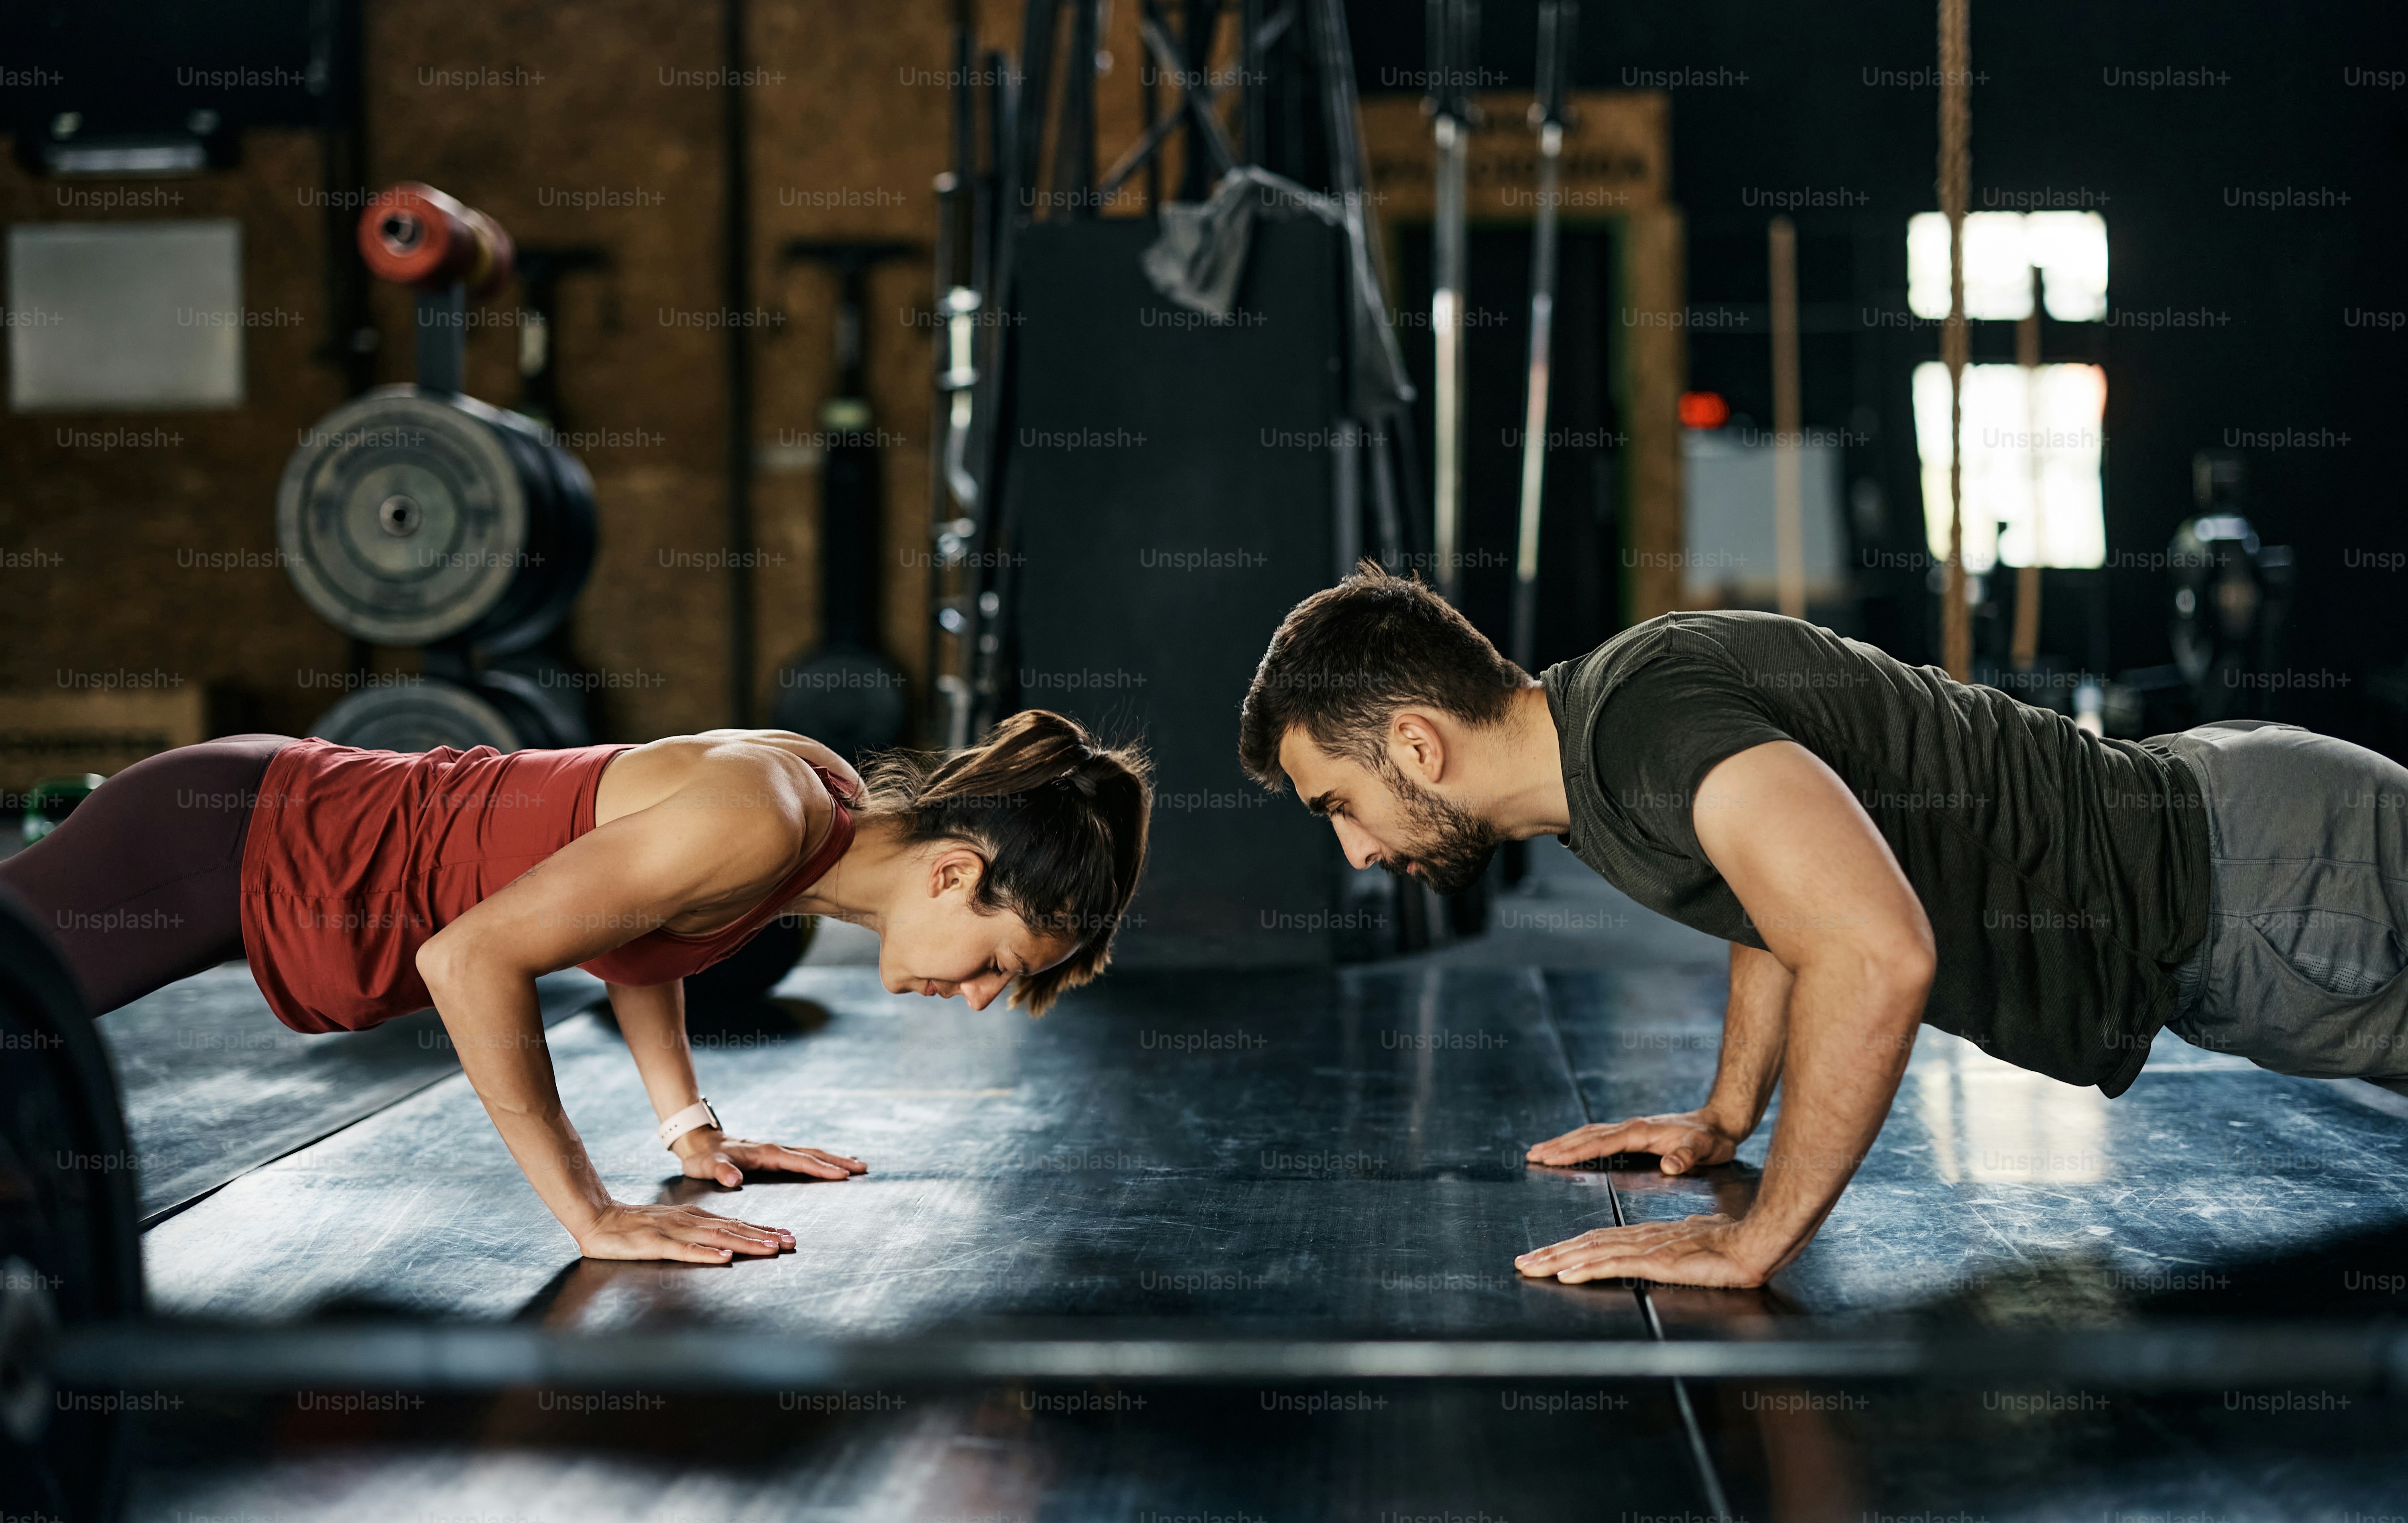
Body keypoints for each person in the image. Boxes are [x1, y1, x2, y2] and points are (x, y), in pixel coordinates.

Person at [1239, 563, 2408, 1289]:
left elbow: (1873, 951)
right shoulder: (1600, 746)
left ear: (1413, 744)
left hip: (2273, 882)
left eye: (1339, 805)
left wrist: (1758, 1241)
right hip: (2244, 858)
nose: (1355, 849)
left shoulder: (1638, 734)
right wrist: (1728, 1111)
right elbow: (1784, 900)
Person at [0, 710, 1149, 1265]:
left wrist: (691, 1127)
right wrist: (591, 1215)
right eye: (1001, 964)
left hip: (277, 862)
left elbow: (634, 928)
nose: (987, 997)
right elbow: (470, 958)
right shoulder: (770, 814)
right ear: (955, 874)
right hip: (235, 842)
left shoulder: (818, 805)